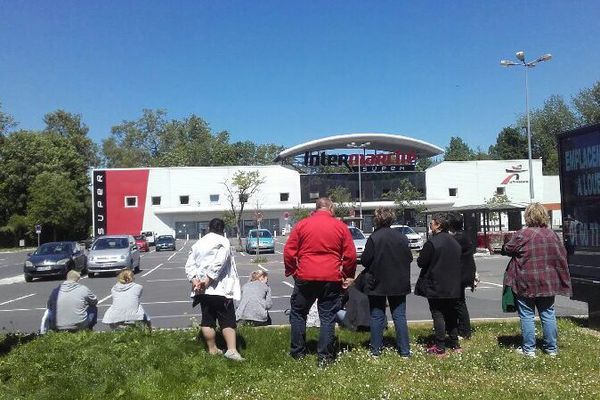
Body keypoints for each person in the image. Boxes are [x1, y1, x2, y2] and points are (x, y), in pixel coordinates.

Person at [284, 197, 357, 367]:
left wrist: (293, 271)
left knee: (298, 313)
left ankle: (297, 353)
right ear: (330, 208)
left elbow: (289, 251)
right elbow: (350, 255)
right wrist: (347, 275)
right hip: (331, 277)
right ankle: (324, 357)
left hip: (306, 275)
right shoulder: (340, 226)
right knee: (327, 317)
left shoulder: (302, 224)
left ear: (316, 208)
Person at [502, 202, 571, 357]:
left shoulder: (523, 234)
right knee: (548, 313)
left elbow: (508, 249)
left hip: (525, 280)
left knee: (527, 314)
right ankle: (551, 348)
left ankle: (529, 349)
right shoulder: (552, 234)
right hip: (548, 280)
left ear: (527, 216)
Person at [185, 218, 244, 361]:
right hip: (220, 288)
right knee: (227, 320)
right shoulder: (223, 241)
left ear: (208, 228)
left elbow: (189, 264)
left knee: (207, 319)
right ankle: (231, 350)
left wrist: (195, 280)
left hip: (202, 290)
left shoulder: (198, 243)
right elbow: (219, 262)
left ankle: (212, 349)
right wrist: (207, 280)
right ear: (222, 229)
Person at [361, 207, 413, 357]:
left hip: (377, 281)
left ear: (377, 219)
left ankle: (376, 350)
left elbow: (365, 260)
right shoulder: (401, 237)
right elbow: (409, 258)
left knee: (377, 316)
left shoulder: (374, 238)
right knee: (399, 316)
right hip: (399, 281)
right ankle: (404, 351)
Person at [415, 213, 462, 356]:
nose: (430, 225)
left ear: (439, 225)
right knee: (451, 313)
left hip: (436, 283)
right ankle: (455, 344)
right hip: (453, 283)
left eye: (432, 222)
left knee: (438, 313)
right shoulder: (454, 242)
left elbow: (421, 262)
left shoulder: (433, 242)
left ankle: (440, 346)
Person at [449, 213, 477, 339]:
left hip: (460, 273)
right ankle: (462, 328)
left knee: (459, 303)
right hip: (465, 272)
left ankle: (464, 331)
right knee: (459, 301)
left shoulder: (457, 238)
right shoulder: (465, 235)